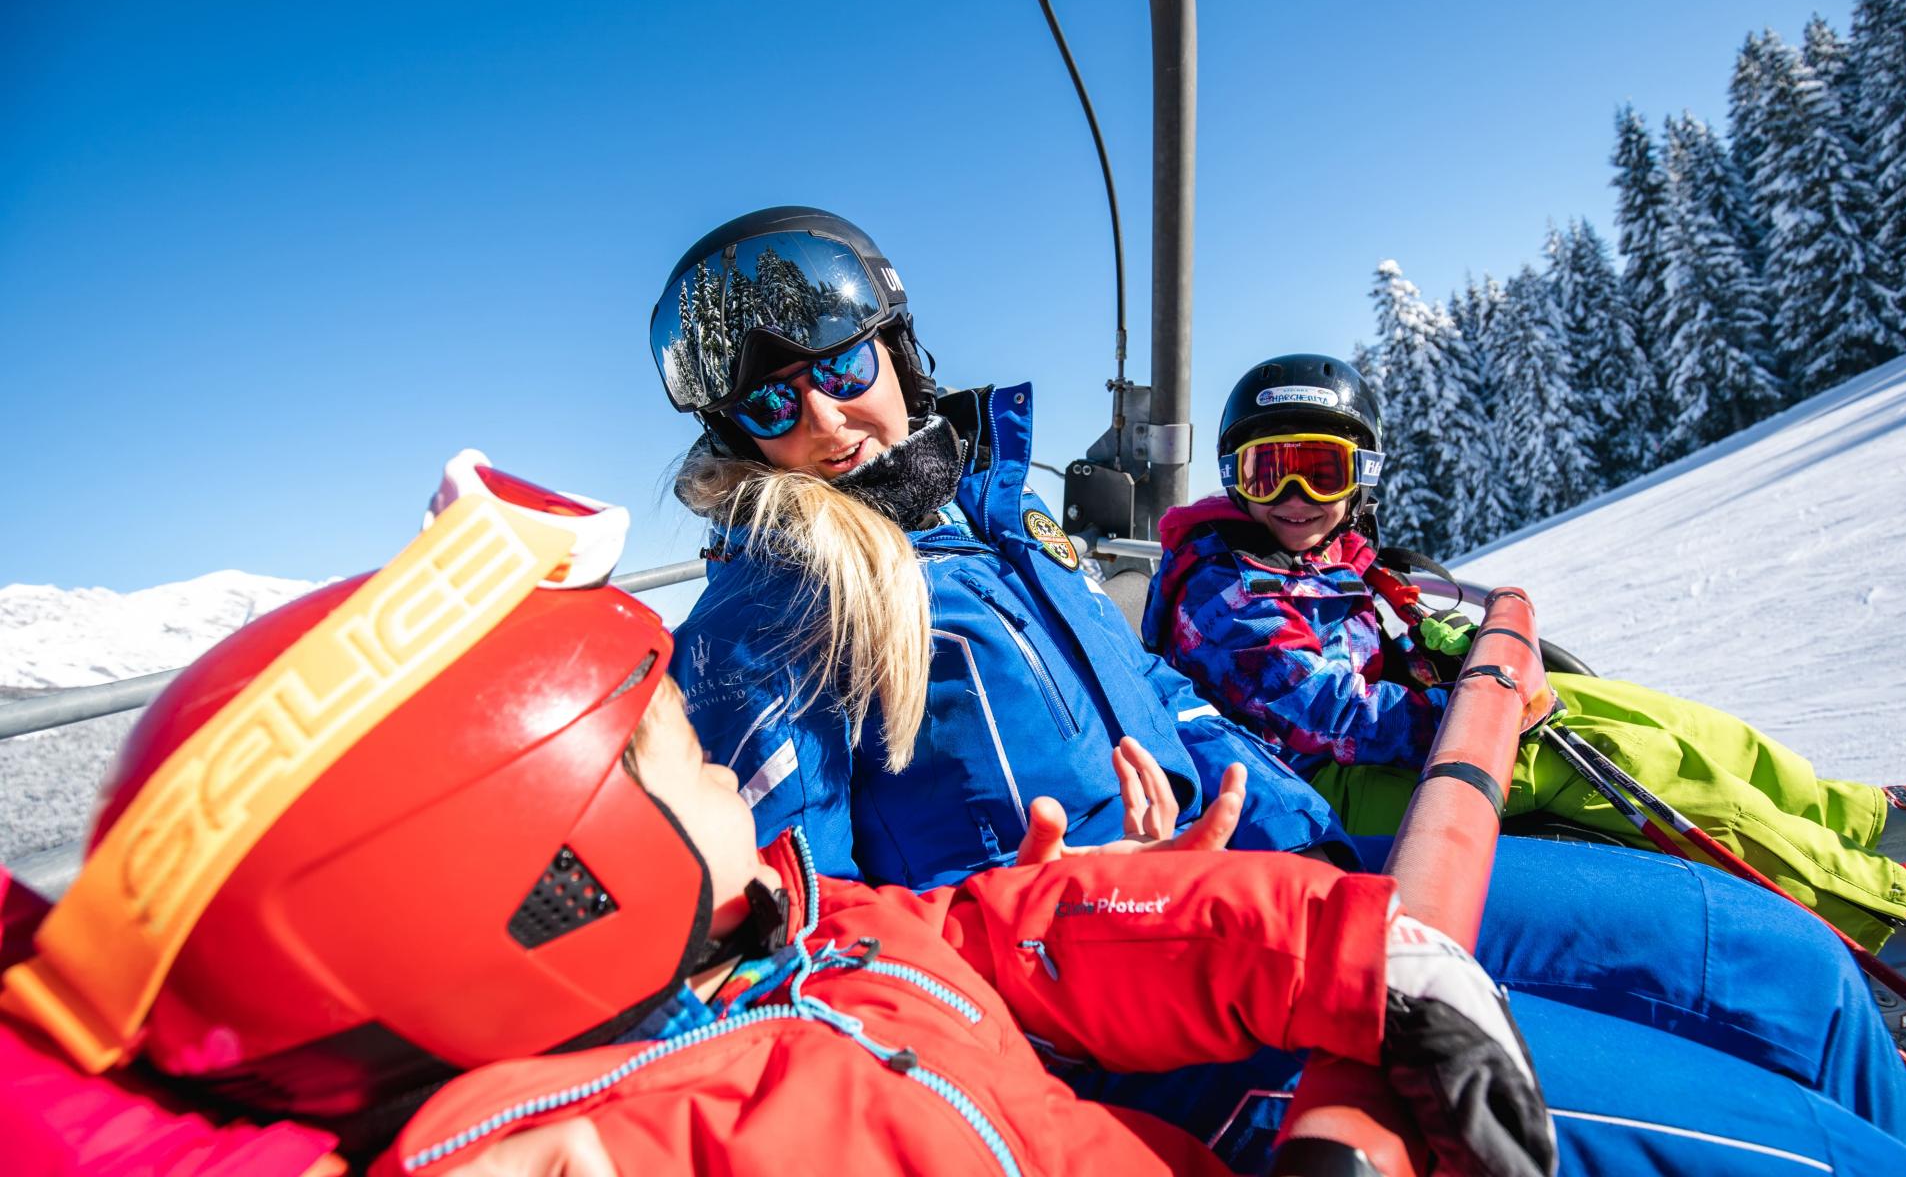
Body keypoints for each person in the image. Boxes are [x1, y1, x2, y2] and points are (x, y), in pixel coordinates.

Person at [650, 208, 1906, 1145]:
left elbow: (1180, 707)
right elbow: (797, 937)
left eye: (842, 366)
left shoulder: (993, 531)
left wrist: (1325, 854)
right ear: (735, 436)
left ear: (900, 349)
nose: (825, 417)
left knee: (1779, 966)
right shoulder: (772, 609)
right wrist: (1059, 903)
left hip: (1288, 899)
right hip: (1146, 1043)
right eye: (775, 404)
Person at [0, 479, 1561, 1177]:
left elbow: (1004, 934)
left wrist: (1348, 951)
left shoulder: (792, 932)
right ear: (560, 871)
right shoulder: (585, 1153)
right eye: (679, 750)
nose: (739, 782)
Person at [1142, 352, 1906, 953]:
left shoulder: (1318, 558)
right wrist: (1484, 709)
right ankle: (1875, 901)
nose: (1294, 500)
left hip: (1378, 746)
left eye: (1321, 471)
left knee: (1631, 712)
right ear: (1234, 479)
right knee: (1601, 756)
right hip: (1310, 792)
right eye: (1267, 472)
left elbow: (1379, 638)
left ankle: (1846, 813)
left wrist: (1460, 653)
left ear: (1363, 475)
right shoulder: (1223, 587)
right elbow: (1327, 711)